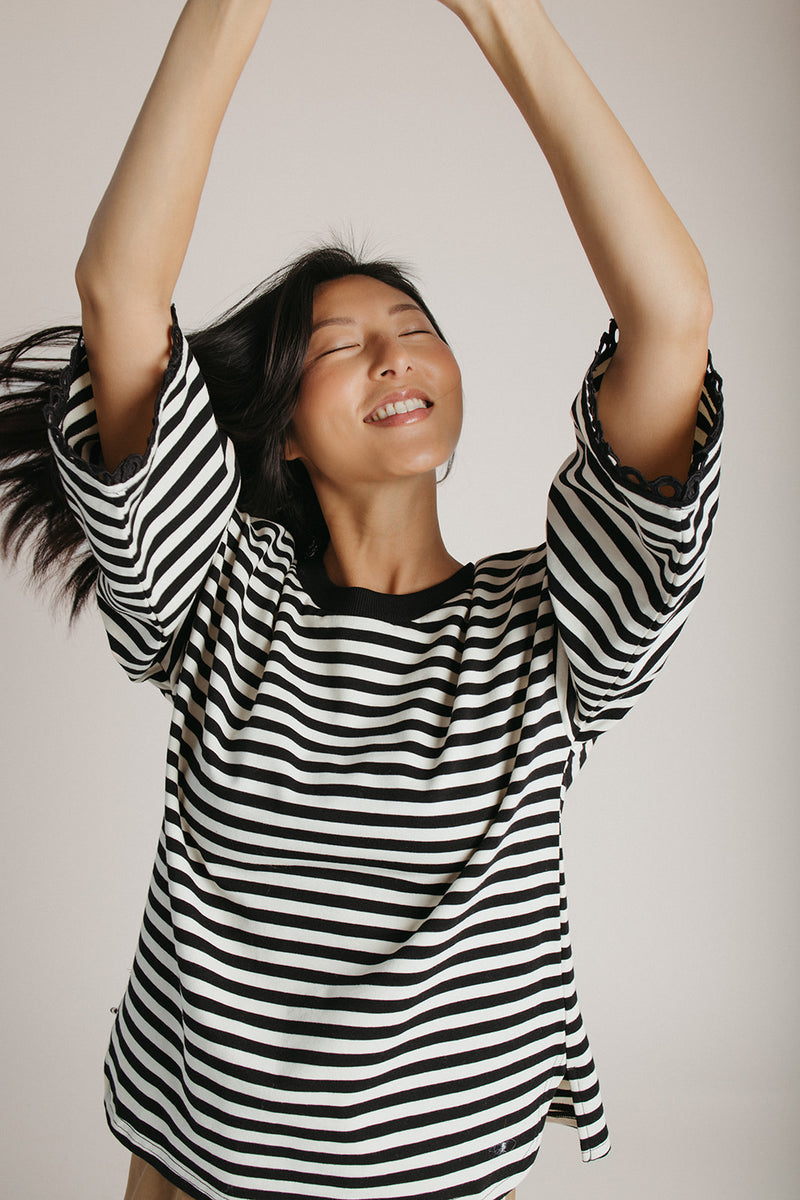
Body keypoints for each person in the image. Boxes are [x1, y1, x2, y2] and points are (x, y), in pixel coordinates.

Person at [0, 1, 723, 1198]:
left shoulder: (548, 632)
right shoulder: (218, 592)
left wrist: (500, 18)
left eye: (413, 328)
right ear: (282, 427)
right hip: (196, 1167)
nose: (393, 354)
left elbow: (671, 317)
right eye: (341, 346)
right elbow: (121, 292)